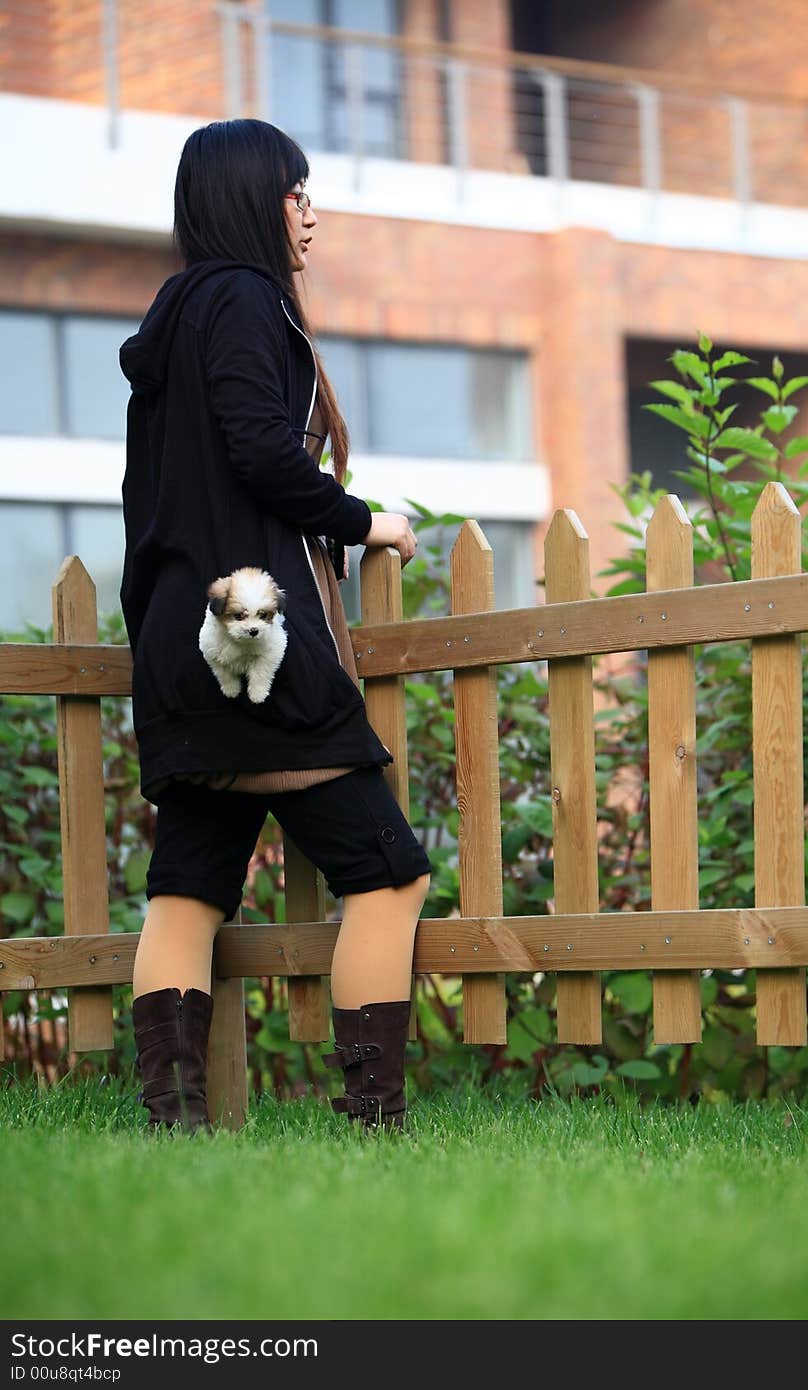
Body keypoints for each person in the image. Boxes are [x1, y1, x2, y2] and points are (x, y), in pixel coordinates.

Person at [118, 118, 432, 1135]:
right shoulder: (246, 301)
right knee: (389, 873)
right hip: (257, 631)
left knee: (189, 887)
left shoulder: (172, 319)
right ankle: (374, 1124)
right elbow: (261, 450)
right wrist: (364, 520)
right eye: (298, 192)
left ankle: (170, 1128)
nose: (312, 210)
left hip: (181, 635)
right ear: (258, 200)